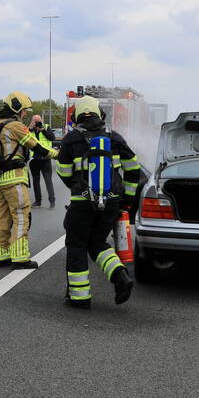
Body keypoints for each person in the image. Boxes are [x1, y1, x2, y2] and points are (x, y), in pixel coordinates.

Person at [55, 96, 138, 309]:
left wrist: (79, 189)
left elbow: (64, 173)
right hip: (111, 204)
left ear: (76, 116)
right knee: (98, 243)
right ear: (100, 114)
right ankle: (120, 276)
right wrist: (126, 200)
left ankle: (79, 297)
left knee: (76, 245)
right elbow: (133, 169)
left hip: (81, 203)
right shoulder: (115, 138)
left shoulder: (71, 139)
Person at [0, 92, 57, 269]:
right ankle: (20, 258)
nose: (25, 114)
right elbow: (36, 145)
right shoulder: (15, 126)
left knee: (1, 217)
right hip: (14, 178)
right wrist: (56, 153)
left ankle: (2, 255)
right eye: (24, 110)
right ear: (16, 108)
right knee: (21, 215)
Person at [28, 114, 56, 208]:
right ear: (32, 121)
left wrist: (43, 130)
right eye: (35, 122)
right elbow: (23, 139)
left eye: (38, 121)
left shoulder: (46, 127)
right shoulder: (28, 130)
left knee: (48, 181)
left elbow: (52, 138)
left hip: (45, 159)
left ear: (42, 121)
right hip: (34, 160)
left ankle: (52, 202)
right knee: (36, 181)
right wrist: (30, 128)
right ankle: (38, 201)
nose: (37, 123)